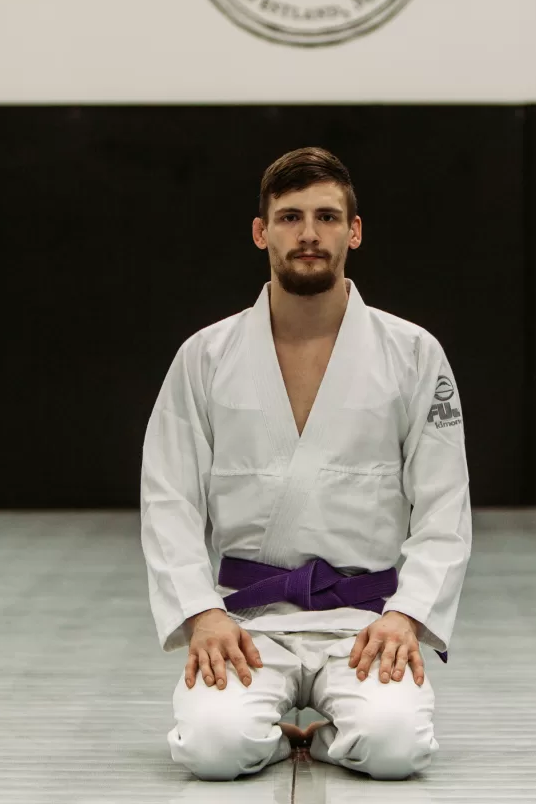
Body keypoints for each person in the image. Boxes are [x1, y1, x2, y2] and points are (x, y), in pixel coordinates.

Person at [140, 146, 472, 781]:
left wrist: (408, 615)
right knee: (212, 748)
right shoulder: (205, 356)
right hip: (246, 621)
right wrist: (201, 612)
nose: (310, 234)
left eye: (327, 216)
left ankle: (318, 736)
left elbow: (444, 506)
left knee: (396, 746)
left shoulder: (412, 353)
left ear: (354, 231)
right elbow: (168, 498)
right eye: (290, 217)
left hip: (367, 623)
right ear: (262, 231)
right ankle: (272, 734)